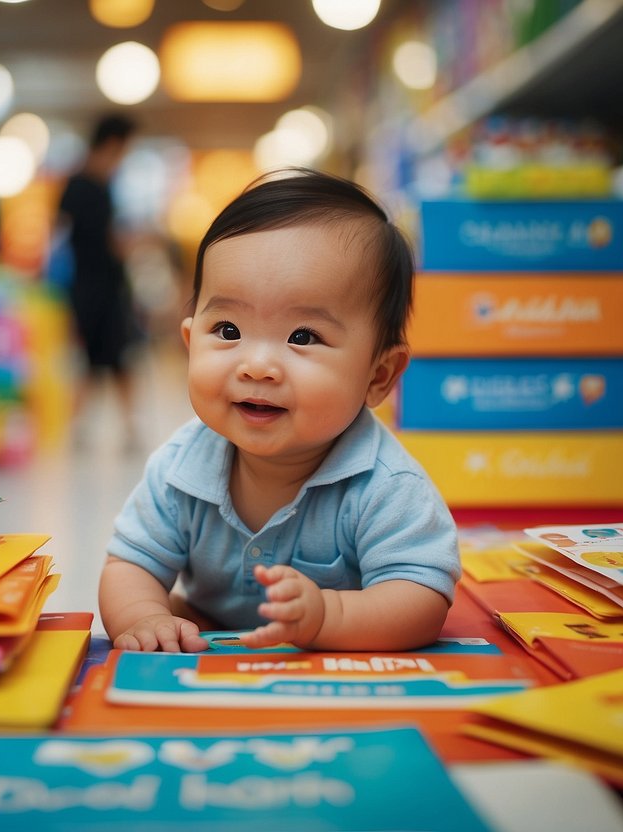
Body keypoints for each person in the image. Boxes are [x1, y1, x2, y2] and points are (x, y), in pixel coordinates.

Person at [98, 168, 460, 653]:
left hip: (332, 669)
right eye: (228, 330)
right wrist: (144, 617)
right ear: (189, 343)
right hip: (215, 649)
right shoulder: (180, 468)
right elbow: (131, 563)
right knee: (174, 612)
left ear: (379, 375)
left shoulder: (384, 485)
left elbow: (422, 599)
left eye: (303, 337)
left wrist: (328, 617)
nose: (258, 365)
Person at [56, 113, 140, 449]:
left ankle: (81, 427)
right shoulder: (94, 187)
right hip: (100, 286)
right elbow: (108, 240)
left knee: (92, 358)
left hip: (84, 285)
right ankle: (124, 426)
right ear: (112, 144)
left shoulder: (76, 184)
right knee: (114, 356)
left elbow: (62, 234)